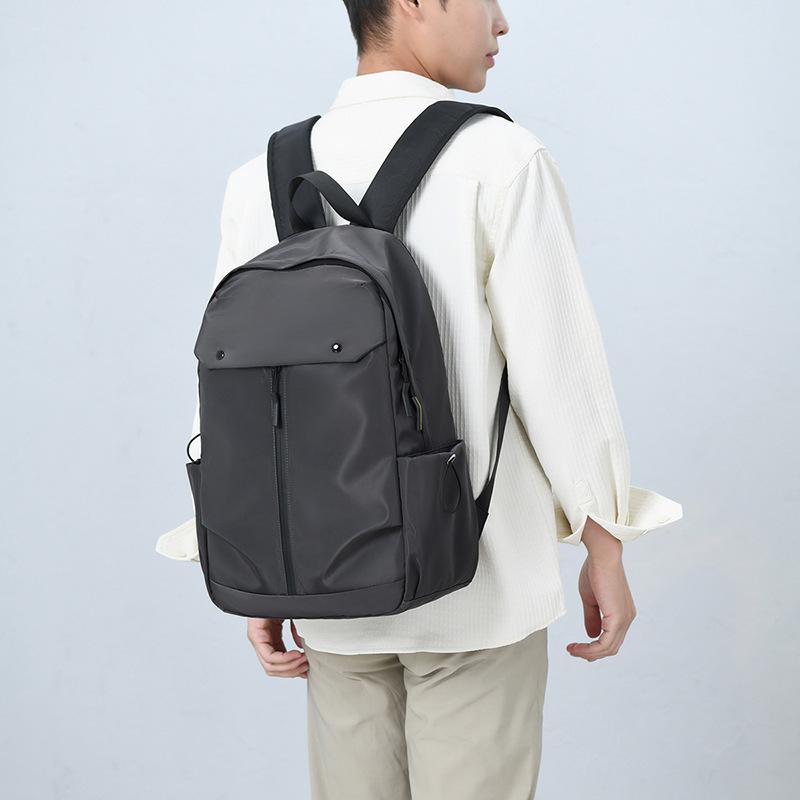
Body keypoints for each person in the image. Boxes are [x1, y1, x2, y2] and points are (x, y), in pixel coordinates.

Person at [156, 1, 683, 797]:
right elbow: (560, 372)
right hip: (477, 581)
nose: (501, 23)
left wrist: (250, 558)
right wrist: (603, 542)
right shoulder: (500, 158)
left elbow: (229, 391)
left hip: (328, 583)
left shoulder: (260, 176)